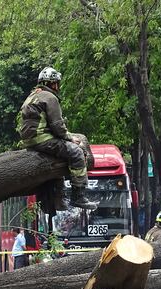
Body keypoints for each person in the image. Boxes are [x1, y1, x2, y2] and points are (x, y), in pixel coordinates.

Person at [17, 67, 98, 211]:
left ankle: (59, 198)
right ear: (52, 84)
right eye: (57, 83)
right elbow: (57, 125)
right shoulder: (50, 97)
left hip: (30, 140)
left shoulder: (32, 96)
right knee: (76, 152)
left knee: (61, 156)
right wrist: (70, 139)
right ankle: (78, 196)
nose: (58, 87)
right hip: (42, 138)